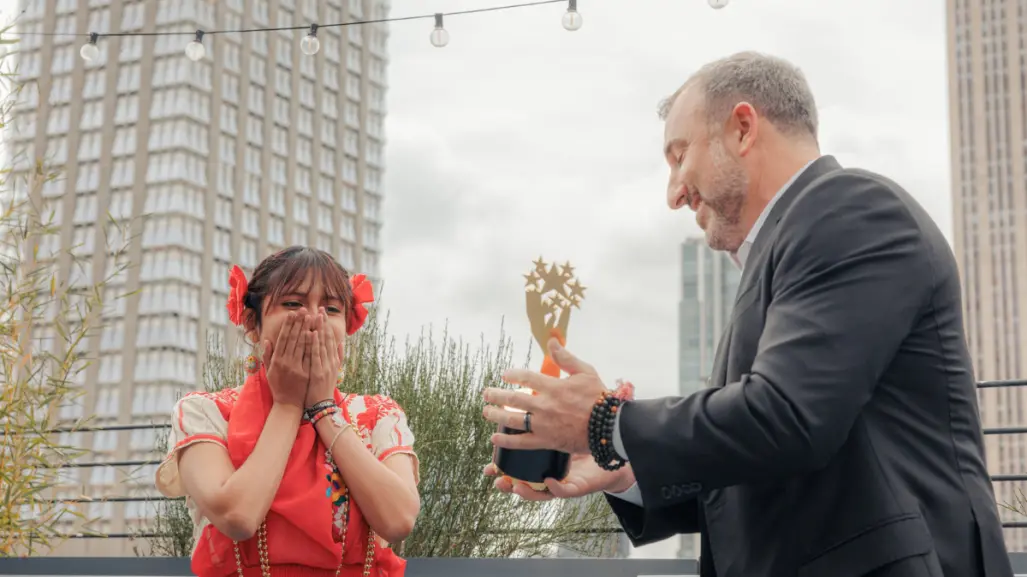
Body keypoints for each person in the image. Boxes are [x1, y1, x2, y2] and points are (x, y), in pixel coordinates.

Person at [482, 52, 1013, 577]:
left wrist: (606, 423)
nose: (673, 193)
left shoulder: (850, 211)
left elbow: (787, 419)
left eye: (679, 154)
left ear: (742, 128)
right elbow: (761, 464)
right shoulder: (796, 244)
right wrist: (620, 468)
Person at [155, 246, 420, 577]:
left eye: (332, 309)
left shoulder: (377, 414)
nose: (312, 319)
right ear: (253, 324)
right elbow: (237, 515)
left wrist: (323, 409)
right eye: (292, 304)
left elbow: (398, 520)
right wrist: (288, 403)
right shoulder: (205, 412)